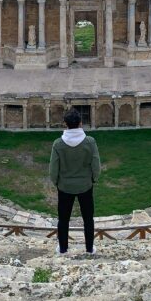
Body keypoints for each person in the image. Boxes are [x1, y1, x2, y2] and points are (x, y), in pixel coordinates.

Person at [49, 109, 101, 255]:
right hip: (85, 185)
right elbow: (96, 165)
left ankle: (63, 249)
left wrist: (57, 182)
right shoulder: (90, 142)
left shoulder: (58, 144)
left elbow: (53, 169)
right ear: (80, 123)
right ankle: (90, 249)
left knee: (63, 219)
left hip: (65, 186)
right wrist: (93, 179)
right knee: (88, 219)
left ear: (65, 124)